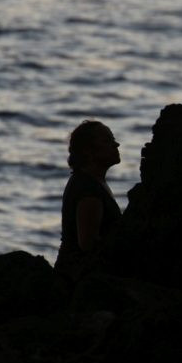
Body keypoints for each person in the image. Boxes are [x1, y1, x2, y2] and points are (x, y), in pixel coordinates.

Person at [54, 120, 122, 282]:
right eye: (107, 141)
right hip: (79, 278)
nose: (116, 145)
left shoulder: (94, 182)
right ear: (88, 151)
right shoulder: (88, 190)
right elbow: (87, 244)